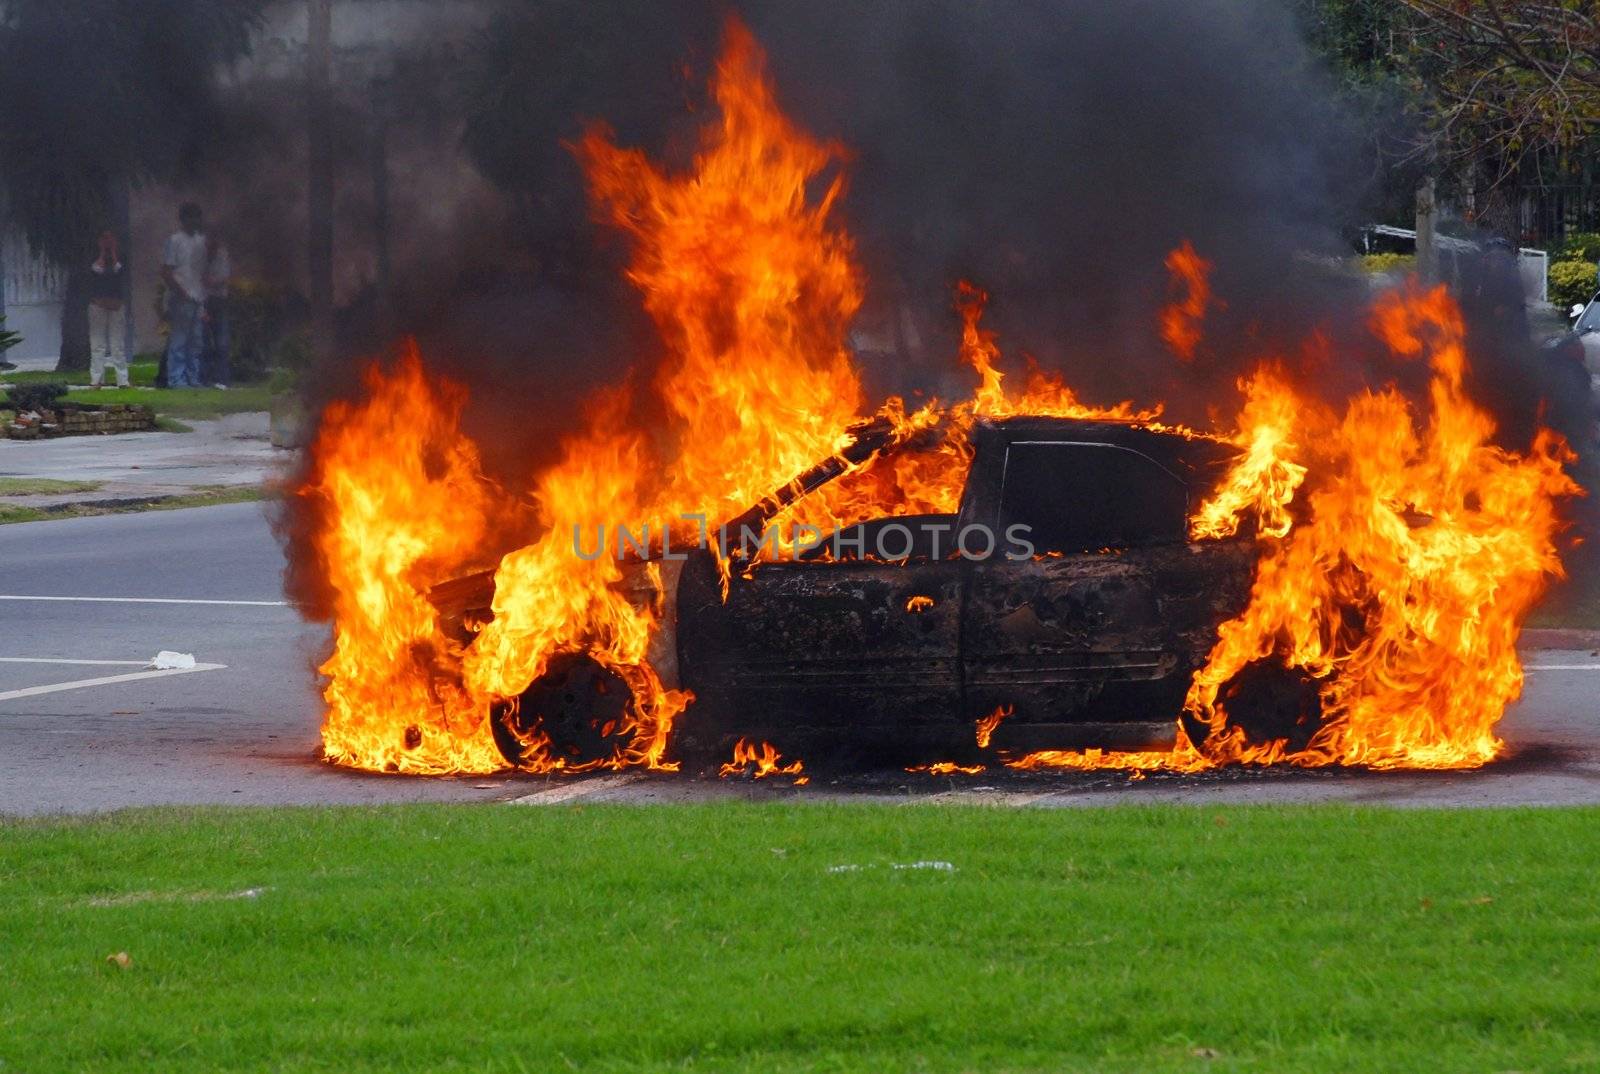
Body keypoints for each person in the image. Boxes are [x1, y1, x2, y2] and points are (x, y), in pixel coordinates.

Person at [161, 203, 208, 388]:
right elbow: (167, 271)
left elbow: (202, 271)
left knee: (196, 342)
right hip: (181, 297)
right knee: (179, 340)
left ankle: (193, 378)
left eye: (197, 217)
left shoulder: (201, 241)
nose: (194, 221)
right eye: (191, 217)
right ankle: (176, 379)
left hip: (198, 297)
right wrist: (181, 291)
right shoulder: (174, 241)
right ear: (183, 219)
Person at [87, 230, 130, 389]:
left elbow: (120, 273)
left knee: (117, 344)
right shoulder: (92, 257)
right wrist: (102, 254)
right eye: (104, 239)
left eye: (110, 239)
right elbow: (94, 273)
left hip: (116, 304)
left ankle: (122, 380)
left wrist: (113, 253)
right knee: (97, 343)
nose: (107, 242)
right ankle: (97, 379)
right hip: (97, 305)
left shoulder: (121, 257)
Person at [203, 231, 232, 389]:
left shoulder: (222, 255)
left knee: (222, 342)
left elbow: (223, 278)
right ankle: (206, 379)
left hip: (220, 301)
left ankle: (223, 379)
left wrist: (212, 281)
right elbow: (200, 281)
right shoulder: (199, 256)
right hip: (204, 301)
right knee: (204, 343)